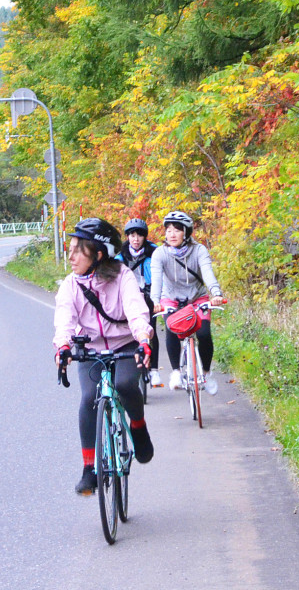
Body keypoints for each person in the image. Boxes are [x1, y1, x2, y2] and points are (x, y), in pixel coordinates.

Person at [54, 218, 155, 495]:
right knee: (88, 398)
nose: (71, 256)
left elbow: (136, 310)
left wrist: (143, 339)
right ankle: (89, 468)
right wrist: (63, 345)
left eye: (78, 249)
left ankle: (138, 426)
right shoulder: (71, 284)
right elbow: (64, 317)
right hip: (91, 349)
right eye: (70, 248)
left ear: (98, 254)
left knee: (124, 385)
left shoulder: (122, 276)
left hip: (125, 344)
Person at [149, 210, 227, 395]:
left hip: (197, 297)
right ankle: (176, 372)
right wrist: (154, 301)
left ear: (186, 232)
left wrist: (216, 293)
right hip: (171, 298)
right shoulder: (160, 254)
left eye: (177, 230)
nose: (172, 234)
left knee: (204, 333)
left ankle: (206, 374)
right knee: (171, 328)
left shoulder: (199, 250)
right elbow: (157, 280)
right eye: (168, 230)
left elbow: (208, 273)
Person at [116, 218, 163, 388]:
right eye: (132, 235)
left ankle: (155, 370)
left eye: (139, 236)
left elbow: (161, 277)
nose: (136, 239)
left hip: (150, 294)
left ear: (145, 237)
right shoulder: (120, 255)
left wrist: (159, 299)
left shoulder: (155, 252)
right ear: (128, 236)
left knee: (151, 331)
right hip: (129, 296)